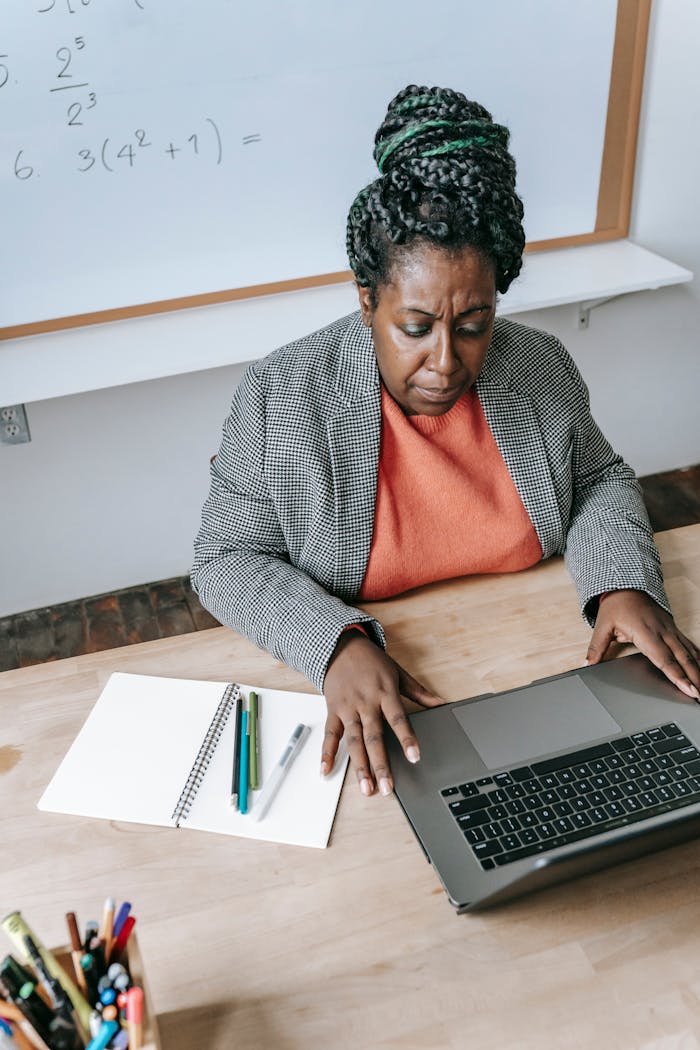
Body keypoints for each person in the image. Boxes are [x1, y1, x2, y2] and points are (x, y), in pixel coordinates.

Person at [192, 84, 700, 800]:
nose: (445, 361)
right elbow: (225, 558)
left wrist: (620, 584)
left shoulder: (536, 365)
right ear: (367, 300)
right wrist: (334, 647)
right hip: (394, 706)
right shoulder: (282, 395)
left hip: (538, 666)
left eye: (472, 325)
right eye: (416, 326)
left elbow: (601, 480)